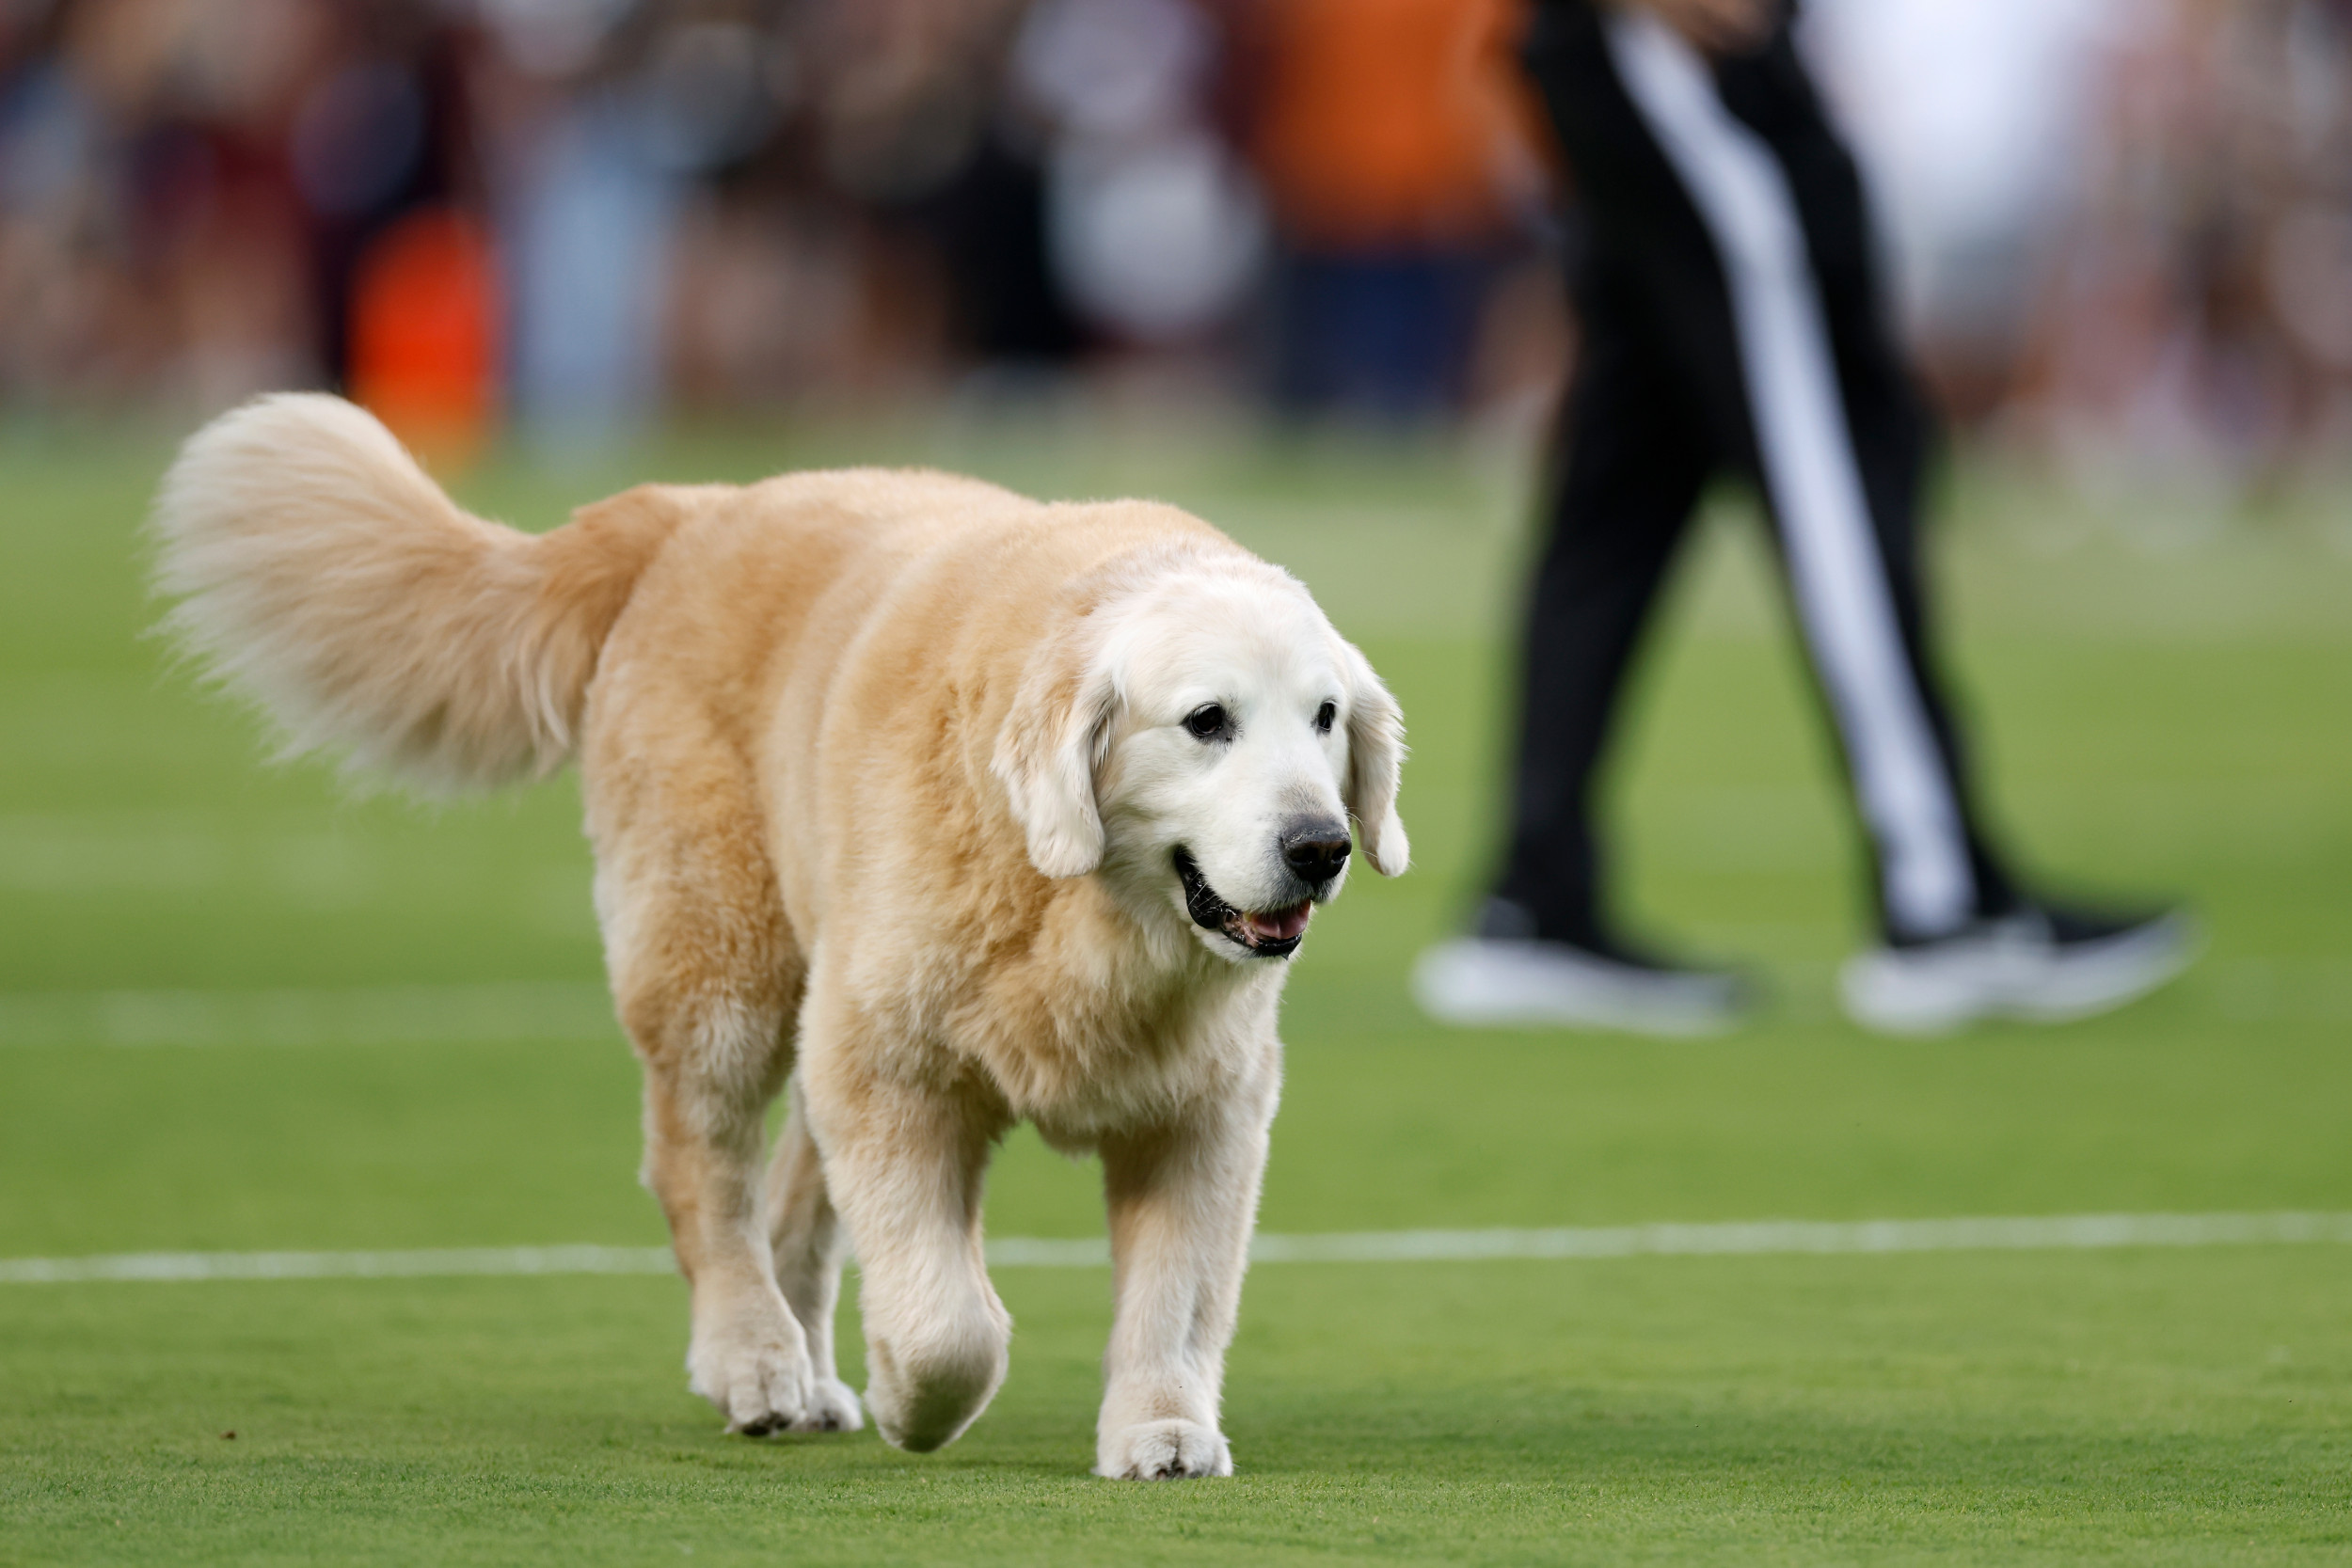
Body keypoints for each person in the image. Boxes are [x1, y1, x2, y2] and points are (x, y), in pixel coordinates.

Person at [1412, 0, 2195, 1036]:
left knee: (1631, 465)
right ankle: (1940, 897)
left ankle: (1534, 894)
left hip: (1657, 56)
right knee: (1820, 422)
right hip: (1661, 53)